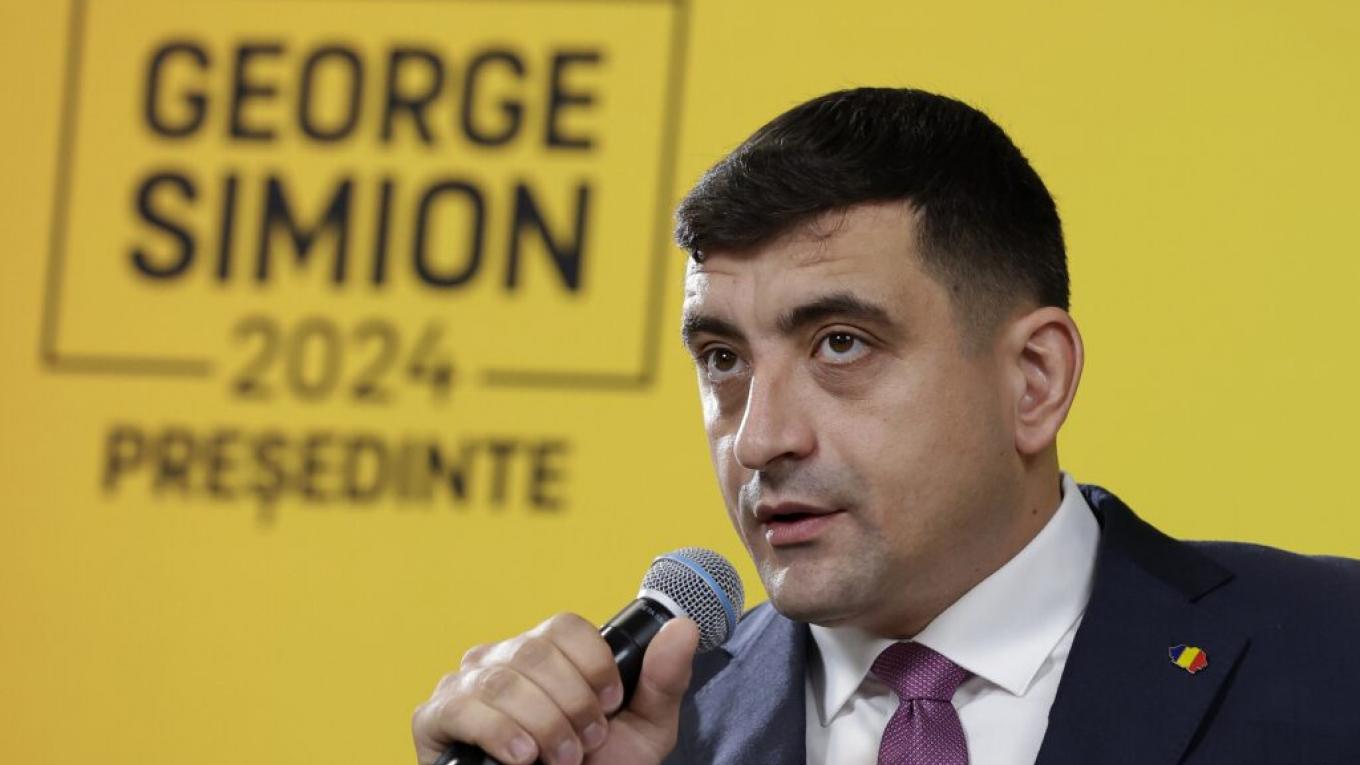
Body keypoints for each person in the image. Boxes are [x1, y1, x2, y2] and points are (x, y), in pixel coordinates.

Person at [411, 88, 1360, 765]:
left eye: (840, 344)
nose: (758, 440)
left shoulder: (1331, 650)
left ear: (1034, 379)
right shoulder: (640, 735)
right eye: (723, 359)